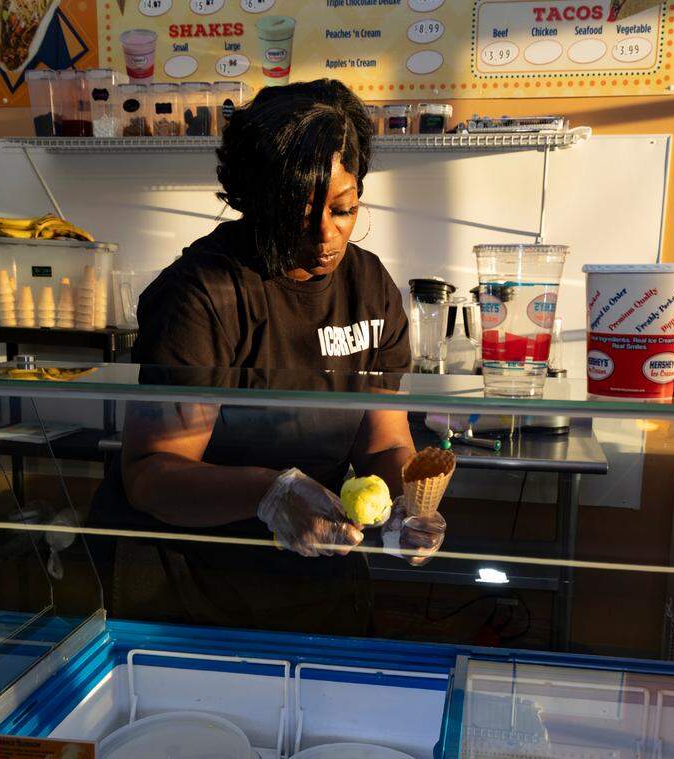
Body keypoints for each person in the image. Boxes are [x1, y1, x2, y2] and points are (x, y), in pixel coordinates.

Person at [90, 79, 428, 635]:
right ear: (254, 201)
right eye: (297, 212)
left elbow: (385, 441)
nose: (324, 235)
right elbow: (152, 476)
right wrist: (269, 493)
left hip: (313, 564)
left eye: (343, 210)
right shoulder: (203, 295)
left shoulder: (370, 286)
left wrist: (409, 505)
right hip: (186, 577)